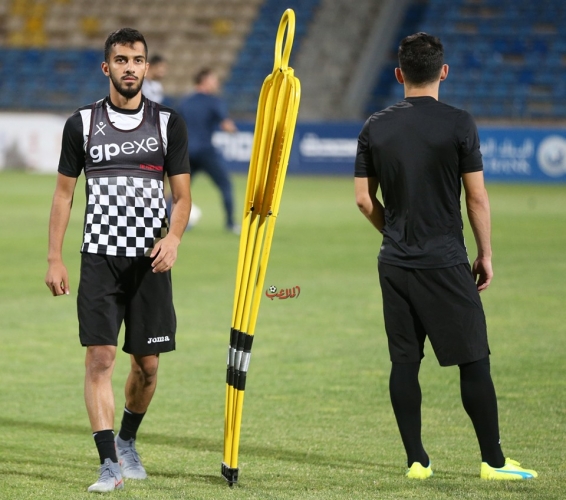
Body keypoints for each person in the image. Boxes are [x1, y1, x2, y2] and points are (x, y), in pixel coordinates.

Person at [354, 32, 537, 481]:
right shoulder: (459, 123)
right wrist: (485, 253)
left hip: (394, 262)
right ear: (444, 72)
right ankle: (494, 462)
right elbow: (476, 197)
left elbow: (363, 199)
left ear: (399, 74)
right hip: (444, 260)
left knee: (404, 362)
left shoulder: (375, 125)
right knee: (474, 360)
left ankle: (417, 461)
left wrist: (393, 232)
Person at [44, 28, 191, 493]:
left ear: (147, 67)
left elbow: (182, 196)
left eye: (137, 60)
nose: (130, 68)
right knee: (100, 358)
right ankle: (109, 463)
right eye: (122, 60)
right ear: (107, 67)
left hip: (150, 261)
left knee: (147, 367)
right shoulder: (82, 123)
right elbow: (63, 195)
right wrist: (54, 257)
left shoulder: (168, 123)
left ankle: (127, 439)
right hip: (99, 258)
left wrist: (174, 238)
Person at [177, 67, 239, 233]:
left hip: (186, 152)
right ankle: (231, 224)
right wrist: (233, 130)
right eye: (213, 80)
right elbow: (227, 125)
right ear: (204, 81)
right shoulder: (214, 101)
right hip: (205, 151)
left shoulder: (185, 101)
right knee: (225, 184)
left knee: (181, 190)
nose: (216, 83)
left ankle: (173, 222)